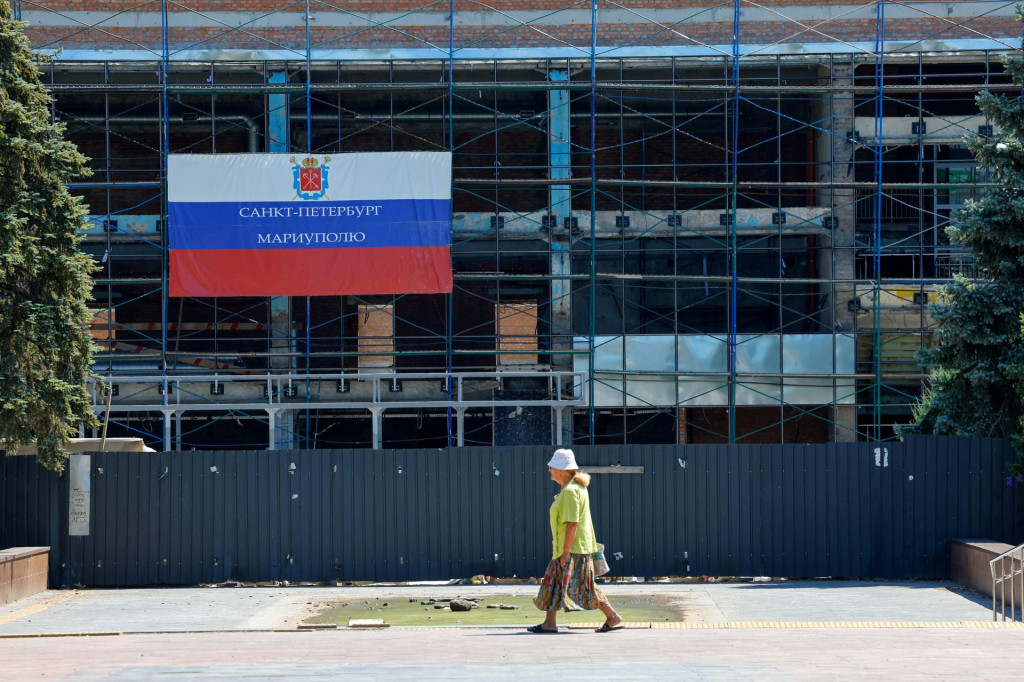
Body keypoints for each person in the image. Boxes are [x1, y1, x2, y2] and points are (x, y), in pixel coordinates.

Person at [529, 448, 624, 633]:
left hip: (573, 550)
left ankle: (613, 616)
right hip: (568, 548)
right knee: (553, 583)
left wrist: (566, 554)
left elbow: (572, 523)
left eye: (552, 466)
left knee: (584, 587)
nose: (549, 469)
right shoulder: (572, 488)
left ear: (561, 469)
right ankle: (549, 623)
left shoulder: (571, 491)